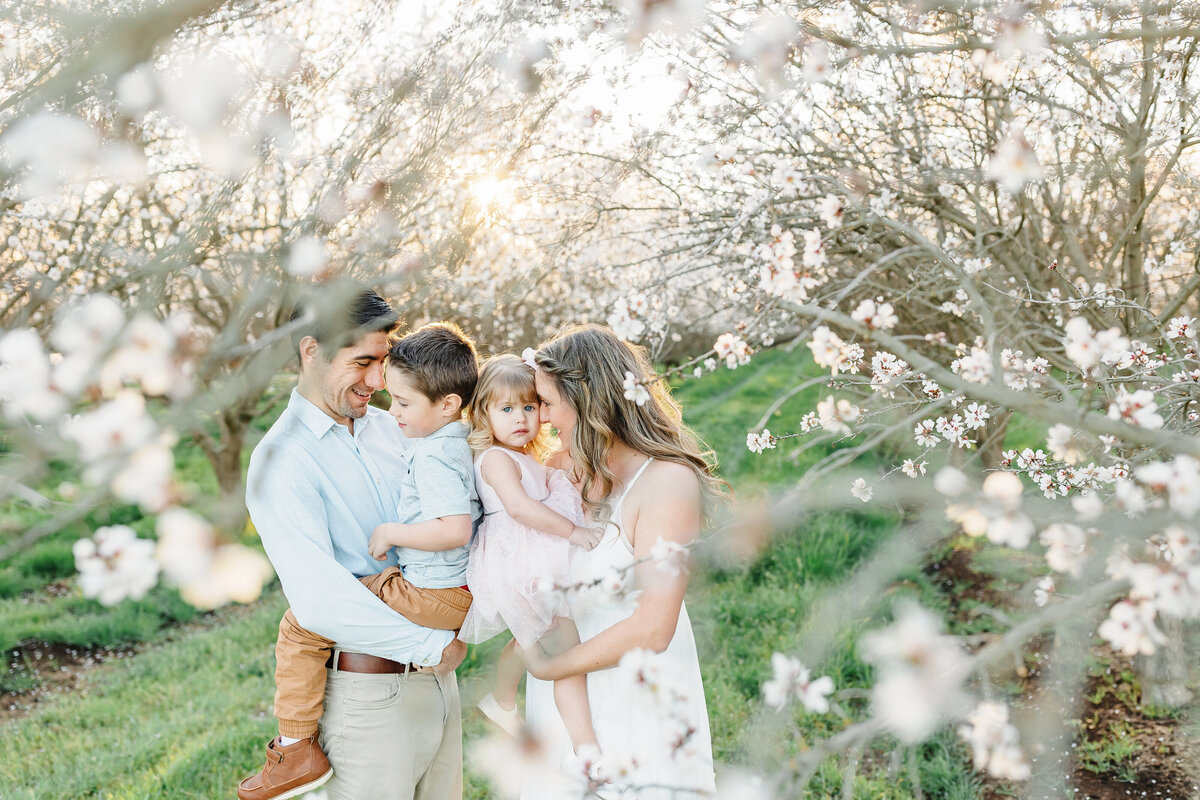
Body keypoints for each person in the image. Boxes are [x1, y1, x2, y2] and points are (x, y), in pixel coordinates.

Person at [239, 288, 468, 800]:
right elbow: (317, 597)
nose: (375, 381)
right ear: (310, 351)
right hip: (367, 700)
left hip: (439, 685)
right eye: (361, 362)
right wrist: (433, 645)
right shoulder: (280, 460)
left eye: (382, 362)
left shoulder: (395, 428)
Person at [520, 324, 727, 799]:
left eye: (549, 403)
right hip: (566, 703)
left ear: (588, 400)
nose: (544, 419)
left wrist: (553, 668)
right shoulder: (560, 470)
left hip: (635, 693)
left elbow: (654, 626)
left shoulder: (667, 482)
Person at [455, 354, 603, 755]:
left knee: (535, 636)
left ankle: (503, 701)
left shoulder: (523, 457)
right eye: (506, 409)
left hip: (531, 556)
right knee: (559, 642)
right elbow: (519, 509)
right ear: (483, 414)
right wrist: (574, 532)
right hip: (518, 559)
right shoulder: (497, 459)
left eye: (529, 406)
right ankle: (582, 741)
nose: (520, 417)